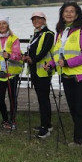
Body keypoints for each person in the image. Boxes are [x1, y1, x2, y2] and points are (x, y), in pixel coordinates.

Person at [53, 2, 82, 145]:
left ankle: (81, 139)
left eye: (72, 11)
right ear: (62, 14)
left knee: (81, 108)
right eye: (66, 11)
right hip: (66, 76)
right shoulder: (60, 32)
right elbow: (57, 54)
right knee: (73, 108)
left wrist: (68, 63)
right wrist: (51, 64)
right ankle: (80, 135)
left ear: (77, 15)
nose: (69, 14)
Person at [23, 10, 55, 139]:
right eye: (33, 19)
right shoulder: (35, 35)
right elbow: (32, 50)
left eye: (39, 19)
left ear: (44, 20)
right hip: (35, 71)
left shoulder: (49, 34)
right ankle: (46, 123)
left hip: (44, 70)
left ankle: (45, 128)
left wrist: (33, 59)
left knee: (43, 99)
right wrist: (26, 56)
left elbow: (44, 50)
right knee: (41, 98)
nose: (36, 21)